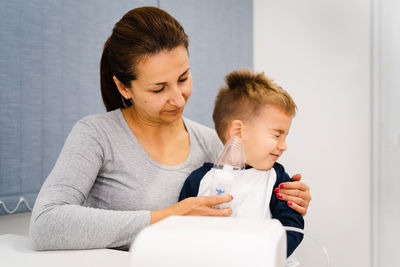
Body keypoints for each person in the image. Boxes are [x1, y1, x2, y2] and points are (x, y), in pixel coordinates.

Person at [30, 6, 311, 251]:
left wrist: (287, 201)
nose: (178, 98)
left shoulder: (213, 144)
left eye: (183, 78)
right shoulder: (97, 135)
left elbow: (248, 212)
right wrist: (170, 216)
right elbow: (46, 223)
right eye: (158, 88)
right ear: (123, 87)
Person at [179, 69, 303, 258]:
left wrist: (263, 254)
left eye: (285, 136)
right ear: (238, 131)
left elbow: (292, 227)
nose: (283, 146)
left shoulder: (276, 179)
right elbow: (179, 231)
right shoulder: (199, 181)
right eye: (277, 135)